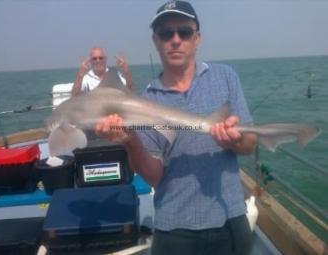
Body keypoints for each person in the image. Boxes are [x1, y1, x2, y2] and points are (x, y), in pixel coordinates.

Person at [95, 1, 257, 254]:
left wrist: (234, 141)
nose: (175, 39)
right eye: (166, 33)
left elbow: (250, 145)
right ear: (155, 40)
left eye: (184, 31)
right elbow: (154, 176)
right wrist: (129, 140)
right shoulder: (145, 100)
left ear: (197, 38)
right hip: (175, 228)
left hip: (230, 217)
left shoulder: (226, 77)